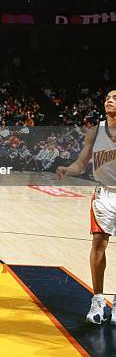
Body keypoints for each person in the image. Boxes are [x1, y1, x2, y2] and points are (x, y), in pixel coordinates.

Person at [57, 89, 116, 325]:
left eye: (115, 98)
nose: (109, 101)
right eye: (107, 98)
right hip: (104, 194)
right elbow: (82, 163)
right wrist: (68, 169)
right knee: (98, 244)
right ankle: (98, 299)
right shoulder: (95, 131)